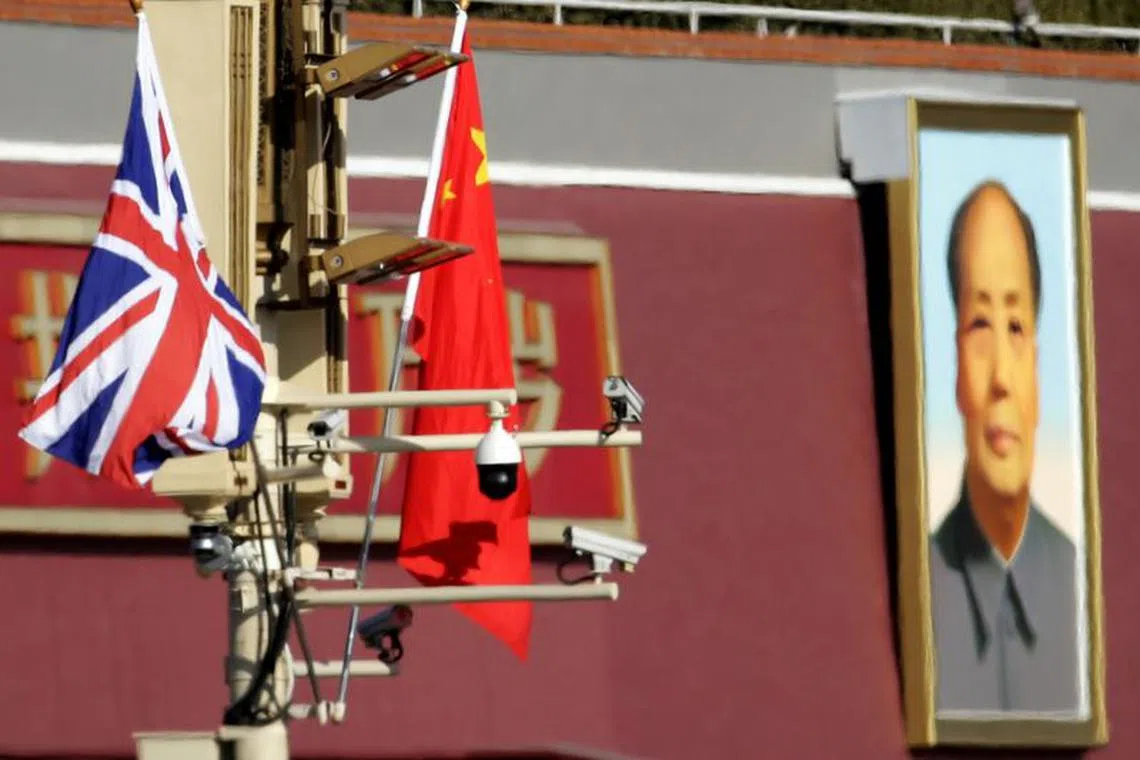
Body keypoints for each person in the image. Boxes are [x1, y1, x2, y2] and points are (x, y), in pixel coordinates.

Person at [929, 180, 1080, 714]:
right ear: (954, 367)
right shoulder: (921, 594)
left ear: (1037, 368)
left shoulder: (1083, 589)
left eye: (1015, 327)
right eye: (979, 325)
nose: (1000, 379)